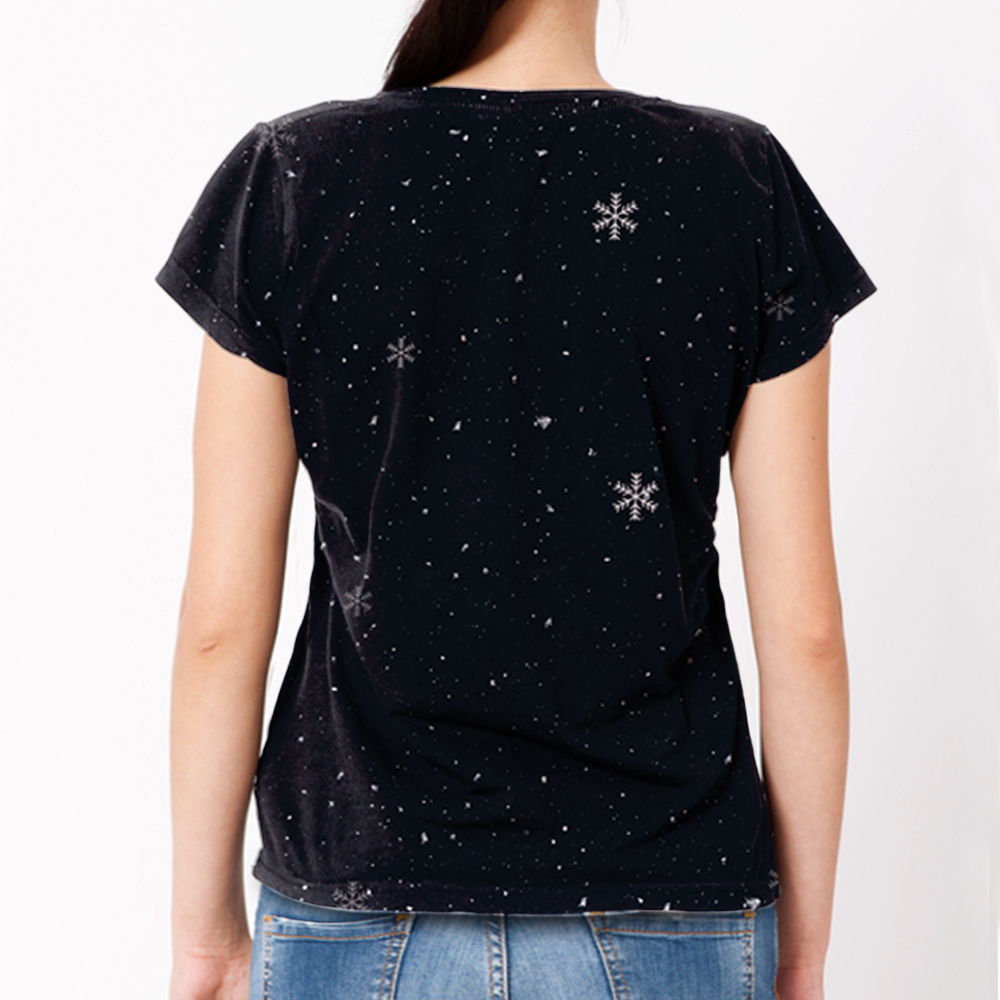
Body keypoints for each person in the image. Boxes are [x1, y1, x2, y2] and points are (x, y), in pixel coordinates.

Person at [158, 0, 876, 997]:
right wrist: (800, 954)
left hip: (358, 893)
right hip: (674, 896)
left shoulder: (294, 177)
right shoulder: (735, 180)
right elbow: (805, 631)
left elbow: (219, 624)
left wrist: (205, 939)